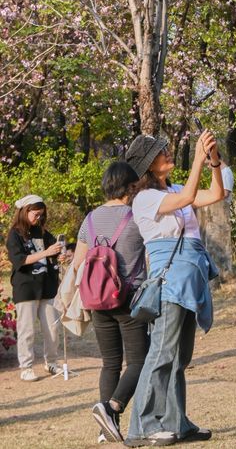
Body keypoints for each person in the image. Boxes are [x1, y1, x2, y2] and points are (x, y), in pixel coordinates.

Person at [123, 131, 224, 447]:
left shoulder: (177, 189)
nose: (168, 154)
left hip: (189, 279)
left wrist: (214, 161)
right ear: (148, 166)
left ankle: (176, 422)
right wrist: (196, 159)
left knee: (179, 356)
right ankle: (142, 427)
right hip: (168, 283)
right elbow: (186, 199)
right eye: (161, 153)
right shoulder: (145, 199)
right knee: (162, 352)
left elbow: (216, 194)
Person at [74, 161, 149, 444]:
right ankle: (112, 406)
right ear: (130, 187)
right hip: (128, 298)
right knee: (140, 360)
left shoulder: (90, 218)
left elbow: (79, 263)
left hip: (97, 300)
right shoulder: (135, 216)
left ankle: (105, 429)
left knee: (110, 363)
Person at [6, 194, 63, 381]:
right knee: (27, 330)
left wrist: (60, 255)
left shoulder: (42, 232)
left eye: (41, 215)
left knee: (52, 328)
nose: (38, 218)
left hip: (47, 286)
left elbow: (53, 252)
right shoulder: (14, 234)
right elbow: (20, 260)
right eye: (35, 214)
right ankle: (26, 367)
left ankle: (51, 362)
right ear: (25, 211)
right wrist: (45, 253)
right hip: (26, 288)